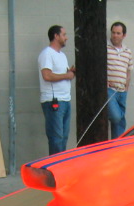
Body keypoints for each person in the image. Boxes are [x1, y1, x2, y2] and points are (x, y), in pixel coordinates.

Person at [38, 25, 76, 155]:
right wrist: (67, 75)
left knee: (63, 137)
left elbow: (63, 74)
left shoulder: (62, 55)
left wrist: (70, 73)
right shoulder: (47, 54)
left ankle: (61, 163)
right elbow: (47, 75)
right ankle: (55, 165)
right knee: (56, 138)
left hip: (65, 100)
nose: (66, 38)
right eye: (64, 35)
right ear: (56, 36)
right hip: (53, 101)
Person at [107, 22, 133, 139]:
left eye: (118, 33)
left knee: (118, 124)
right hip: (110, 90)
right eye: (113, 33)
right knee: (117, 117)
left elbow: (128, 71)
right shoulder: (105, 48)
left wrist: (126, 88)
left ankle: (117, 144)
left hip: (122, 91)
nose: (115, 35)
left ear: (124, 35)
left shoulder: (128, 51)